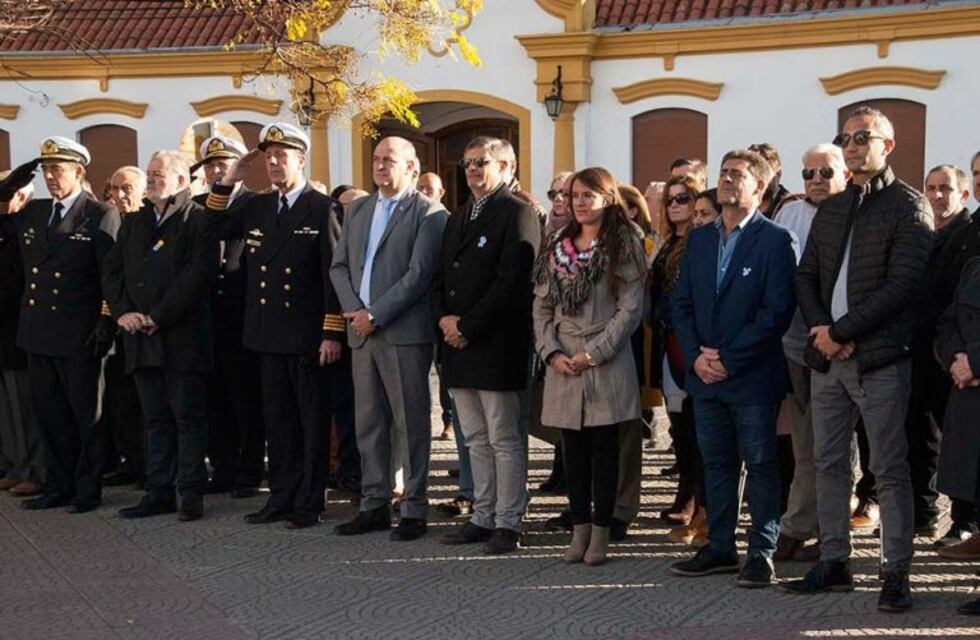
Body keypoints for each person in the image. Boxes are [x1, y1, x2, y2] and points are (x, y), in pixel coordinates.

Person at [787, 106, 933, 612]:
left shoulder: (909, 206)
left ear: (887, 145)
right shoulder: (832, 207)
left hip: (880, 359)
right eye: (844, 138)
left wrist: (843, 331)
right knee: (829, 463)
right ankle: (834, 563)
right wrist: (822, 332)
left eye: (861, 137)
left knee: (889, 468)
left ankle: (895, 573)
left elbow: (904, 286)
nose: (850, 145)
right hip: (829, 359)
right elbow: (805, 276)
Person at [206, 122, 345, 529]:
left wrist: (330, 331)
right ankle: (280, 496)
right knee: (278, 421)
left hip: (306, 336)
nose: (274, 163)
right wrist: (228, 181)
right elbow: (211, 228)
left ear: (300, 159)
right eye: (268, 158)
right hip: (267, 334)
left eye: (282, 156)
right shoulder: (256, 206)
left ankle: (310, 500)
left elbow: (330, 273)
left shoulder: (322, 208)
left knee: (311, 422)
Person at [669, 149, 796, 588]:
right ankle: (720, 546)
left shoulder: (776, 241)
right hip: (704, 377)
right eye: (723, 173)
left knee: (761, 464)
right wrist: (697, 357)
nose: (726, 180)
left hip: (752, 377)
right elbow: (680, 304)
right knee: (716, 463)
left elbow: (776, 311)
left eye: (737, 175)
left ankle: (761, 551)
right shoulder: (701, 238)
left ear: (759, 188)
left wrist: (727, 358)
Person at [330, 136, 448, 541]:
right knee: (369, 423)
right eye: (376, 160)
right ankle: (374, 503)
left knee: (411, 424)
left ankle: (413, 508)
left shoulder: (429, 213)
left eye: (390, 161)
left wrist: (374, 314)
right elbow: (339, 266)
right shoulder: (359, 208)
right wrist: (355, 313)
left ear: (412, 168)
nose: (380, 167)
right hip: (361, 333)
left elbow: (417, 276)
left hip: (402, 333)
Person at [532, 166, 645, 566]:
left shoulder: (623, 239)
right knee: (572, 452)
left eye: (587, 195)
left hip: (604, 360)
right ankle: (578, 527)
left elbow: (631, 307)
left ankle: (601, 530)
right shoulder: (559, 241)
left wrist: (594, 352)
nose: (577, 202)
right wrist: (551, 352)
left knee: (604, 451)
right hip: (563, 359)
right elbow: (542, 305)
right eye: (573, 195)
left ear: (607, 198)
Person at [0, 138, 119, 513]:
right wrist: (9, 185)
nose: (51, 177)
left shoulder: (99, 214)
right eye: (47, 169)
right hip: (38, 333)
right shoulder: (34, 212)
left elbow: (110, 276)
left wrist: (105, 320)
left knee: (85, 417)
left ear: (79, 172)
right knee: (50, 415)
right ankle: (58, 484)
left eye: (58, 169)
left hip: (79, 334)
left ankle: (87, 489)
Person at [435, 136, 540, 554]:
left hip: (495, 342)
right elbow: (441, 276)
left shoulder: (518, 213)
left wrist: (468, 326)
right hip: (457, 344)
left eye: (482, 162)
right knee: (473, 437)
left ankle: (509, 520)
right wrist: (443, 319)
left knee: (503, 436)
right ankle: (482, 514)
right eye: (467, 163)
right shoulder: (458, 216)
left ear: (508, 166)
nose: (473, 170)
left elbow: (512, 282)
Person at [103, 150, 216, 521]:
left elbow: (196, 275)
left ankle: (190, 492)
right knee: (154, 419)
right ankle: (158, 491)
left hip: (180, 336)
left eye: (158, 175)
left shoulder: (197, 219)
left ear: (182, 181)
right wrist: (124, 313)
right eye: (149, 174)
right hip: (140, 336)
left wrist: (158, 315)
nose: (150, 180)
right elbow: (113, 271)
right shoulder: (135, 222)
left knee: (187, 417)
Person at [771, 143, 850, 562]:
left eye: (825, 172)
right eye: (808, 173)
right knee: (804, 442)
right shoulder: (790, 213)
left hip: (840, 346)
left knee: (832, 445)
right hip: (793, 346)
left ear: (845, 174)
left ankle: (816, 529)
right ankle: (806, 523)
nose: (816, 181)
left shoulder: (857, 213)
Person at [903, 164, 975, 539]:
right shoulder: (922, 234)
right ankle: (925, 513)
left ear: (962, 194)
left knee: (961, 442)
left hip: (961, 356)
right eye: (930, 188)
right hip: (923, 350)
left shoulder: (969, 233)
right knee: (921, 435)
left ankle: (964, 522)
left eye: (945, 188)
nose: (936, 195)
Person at [192, 136, 265, 499]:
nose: (217, 170)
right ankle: (222, 467)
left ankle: (250, 469)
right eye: (211, 165)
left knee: (246, 398)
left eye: (225, 164)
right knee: (214, 397)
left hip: (243, 316)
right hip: (207, 318)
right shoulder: (199, 206)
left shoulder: (256, 204)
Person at [650, 176, 704, 536]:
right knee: (680, 428)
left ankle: (701, 504)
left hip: (695, 344)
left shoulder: (704, 242)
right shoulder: (667, 243)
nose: (676, 205)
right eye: (670, 200)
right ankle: (686, 491)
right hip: (668, 342)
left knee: (701, 431)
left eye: (683, 198)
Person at [933, 256, 980, 617]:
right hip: (968, 392)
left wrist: (975, 362)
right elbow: (948, 321)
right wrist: (954, 358)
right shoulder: (974, 265)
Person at [100, 166, 147, 489]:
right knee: (122, 402)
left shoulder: (147, 224)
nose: (119, 196)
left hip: (147, 326)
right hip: (118, 326)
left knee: (146, 405)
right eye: (115, 189)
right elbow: (109, 275)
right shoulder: (117, 222)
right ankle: (131, 461)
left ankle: (148, 467)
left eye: (127, 188)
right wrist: (115, 314)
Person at [0, 174, 42, 497]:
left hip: (17, 330)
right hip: (4, 333)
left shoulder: (23, 232)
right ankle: (15, 464)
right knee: (8, 407)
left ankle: (32, 468)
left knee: (25, 406)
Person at [749, 143, 794, 218]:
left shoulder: (789, 207)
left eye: (763, 173)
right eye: (752, 173)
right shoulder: (733, 203)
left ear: (778, 174)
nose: (758, 179)